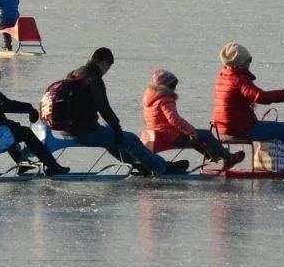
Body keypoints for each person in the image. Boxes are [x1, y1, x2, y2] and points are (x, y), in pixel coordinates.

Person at [61, 48, 189, 176]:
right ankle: (161, 167)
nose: (106, 71)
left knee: (112, 135)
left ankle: (141, 165)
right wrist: (117, 127)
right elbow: (104, 108)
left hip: (68, 129)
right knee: (129, 138)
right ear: (104, 63)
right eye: (108, 67)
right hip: (84, 132)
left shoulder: (74, 74)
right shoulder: (94, 80)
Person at [212, 42, 284, 171]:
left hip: (222, 128)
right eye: (249, 60)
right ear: (240, 63)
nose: (250, 63)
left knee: (274, 128)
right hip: (240, 128)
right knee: (282, 128)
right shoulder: (239, 80)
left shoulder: (222, 76)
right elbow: (260, 97)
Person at [141, 69, 245, 169]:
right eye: (174, 85)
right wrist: (190, 130)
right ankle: (229, 158)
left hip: (160, 134)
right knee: (205, 135)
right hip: (171, 137)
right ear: (168, 85)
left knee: (197, 136)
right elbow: (174, 119)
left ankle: (214, 154)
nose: (175, 88)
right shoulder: (165, 99)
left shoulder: (152, 98)